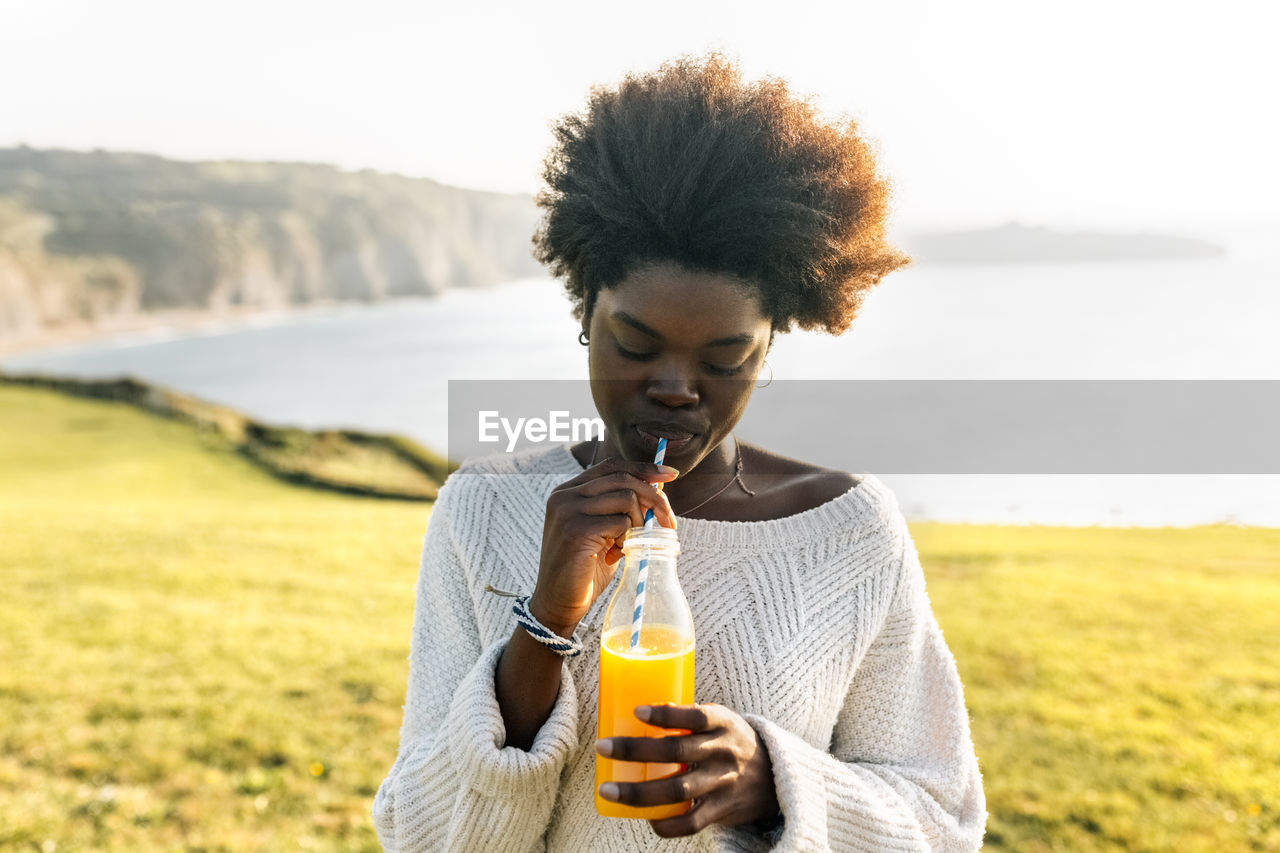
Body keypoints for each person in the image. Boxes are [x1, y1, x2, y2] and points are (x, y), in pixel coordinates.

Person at [372, 53, 986, 852]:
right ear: (586, 312)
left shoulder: (850, 531)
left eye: (725, 358)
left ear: (771, 347)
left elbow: (943, 820)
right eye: (635, 343)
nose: (675, 387)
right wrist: (545, 623)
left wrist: (776, 782)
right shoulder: (484, 508)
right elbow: (420, 836)